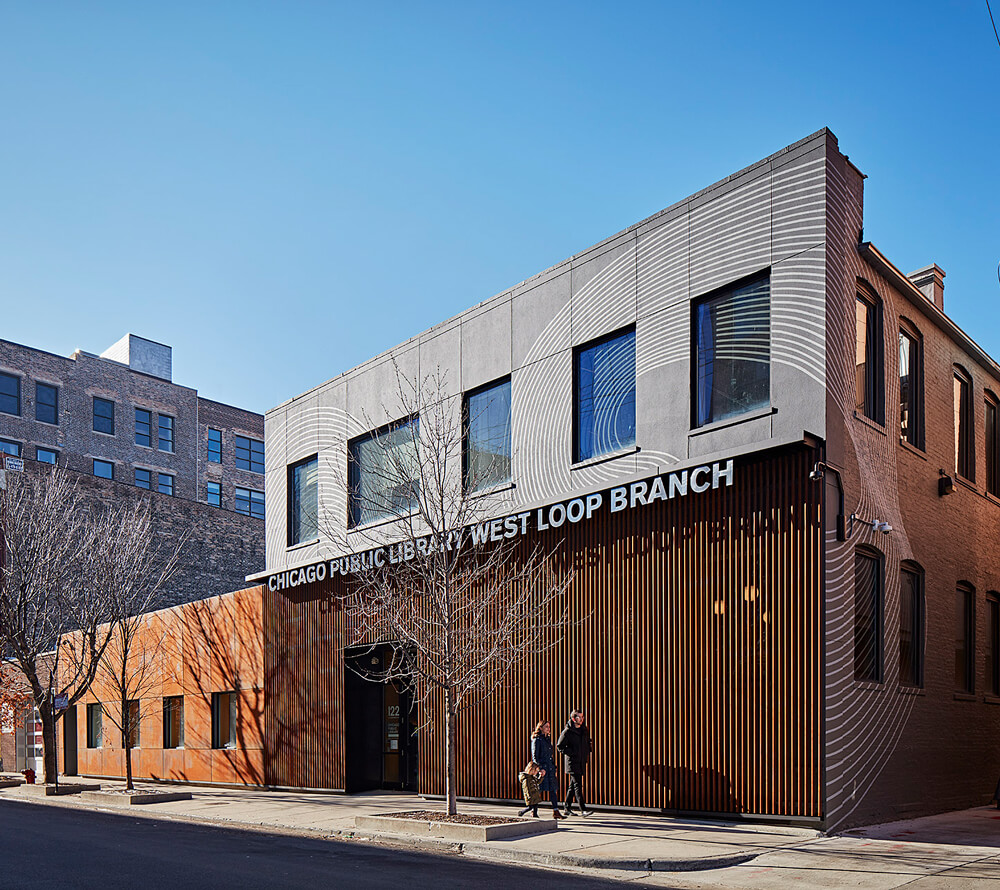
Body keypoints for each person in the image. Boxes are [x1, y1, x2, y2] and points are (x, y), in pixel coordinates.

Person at [556, 708, 593, 816]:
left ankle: (567, 808)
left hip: (581, 761)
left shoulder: (583, 730)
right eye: (579, 717)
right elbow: (560, 746)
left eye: (582, 717)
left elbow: (586, 742)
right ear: (573, 718)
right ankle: (583, 809)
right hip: (572, 762)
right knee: (577, 785)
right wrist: (573, 752)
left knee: (572, 786)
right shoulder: (567, 731)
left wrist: (588, 748)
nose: (581, 719)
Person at [530, 720, 563, 819]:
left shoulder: (547, 739)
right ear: (541, 728)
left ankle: (556, 811)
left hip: (550, 768)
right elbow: (535, 756)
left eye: (549, 726)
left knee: (553, 790)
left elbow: (550, 755)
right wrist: (539, 768)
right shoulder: (537, 740)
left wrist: (553, 766)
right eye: (546, 727)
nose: (549, 729)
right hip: (542, 769)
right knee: (538, 790)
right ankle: (533, 810)